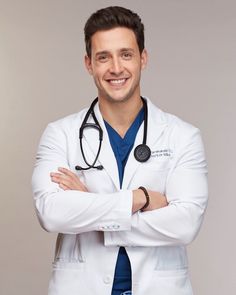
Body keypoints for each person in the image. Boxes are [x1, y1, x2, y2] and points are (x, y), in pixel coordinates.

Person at [32, 6, 208, 295]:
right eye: (104, 57)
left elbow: (185, 223)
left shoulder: (182, 136)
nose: (116, 68)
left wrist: (90, 204)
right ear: (89, 64)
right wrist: (141, 198)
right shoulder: (60, 134)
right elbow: (51, 213)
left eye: (126, 54)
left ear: (143, 58)